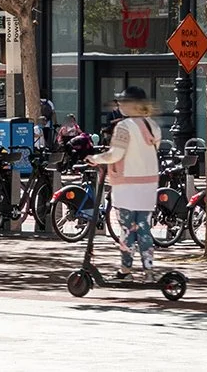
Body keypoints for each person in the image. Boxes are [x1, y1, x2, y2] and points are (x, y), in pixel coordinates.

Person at [88, 86, 161, 282]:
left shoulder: (124, 127)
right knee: (144, 228)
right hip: (149, 183)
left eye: (123, 102)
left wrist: (96, 158)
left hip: (126, 185)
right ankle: (149, 271)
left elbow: (116, 154)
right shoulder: (153, 126)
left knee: (127, 229)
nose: (120, 105)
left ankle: (125, 271)